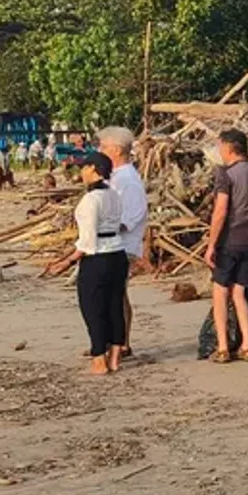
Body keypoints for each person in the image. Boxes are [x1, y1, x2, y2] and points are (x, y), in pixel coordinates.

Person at [43, 152, 128, 375]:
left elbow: (88, 240)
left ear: (93, 169)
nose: (81, 172)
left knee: (93, 308)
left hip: (97, 257)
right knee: (114, 305)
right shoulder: (114, 195)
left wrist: (68, 261)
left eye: (84, 167)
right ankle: (115, 357)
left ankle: (99, 357)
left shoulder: (91, 200)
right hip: (117, 253)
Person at [206, 128, 248, 364]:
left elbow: (221, 210)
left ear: (230, 147)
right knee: (240, 292)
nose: (219, 152)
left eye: (220, 146)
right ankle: (247, 344)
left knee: (220, 291)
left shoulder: (227, 174)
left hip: (229, 239)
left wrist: (211, 244)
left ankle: (222, 346)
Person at [98, 126, 147, 359]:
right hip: (112, 243)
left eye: (104, 146)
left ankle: (122, 342)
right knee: (112, 294)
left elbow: (132, 216)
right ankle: (112, 340)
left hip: (122, 245)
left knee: (116, 294)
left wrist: (102, 227)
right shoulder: (116, 177)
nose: (100, 150)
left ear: (116, 150)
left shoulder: (128, 180)